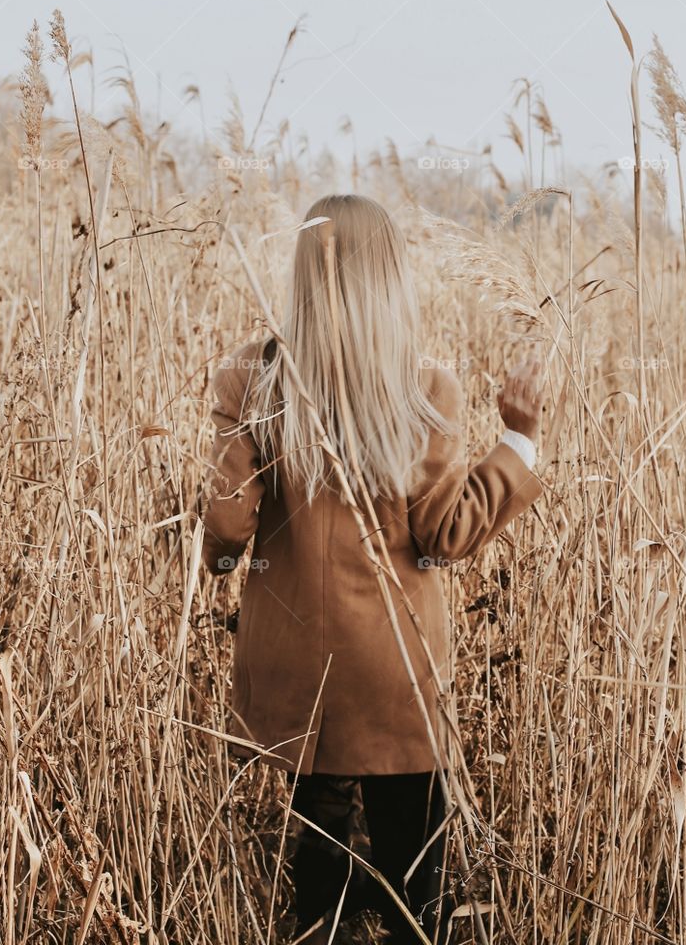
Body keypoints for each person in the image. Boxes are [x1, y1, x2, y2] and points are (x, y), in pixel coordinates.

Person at [201, 194, 545, 943]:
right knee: (414, 868)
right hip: (397, 671)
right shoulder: (425, 389)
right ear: (390, 277)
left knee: (318, 871)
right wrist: (517, 441)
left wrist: (217, 550)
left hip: (298, 670)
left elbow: (227, 526)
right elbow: (446, 535)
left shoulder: (252, 379)